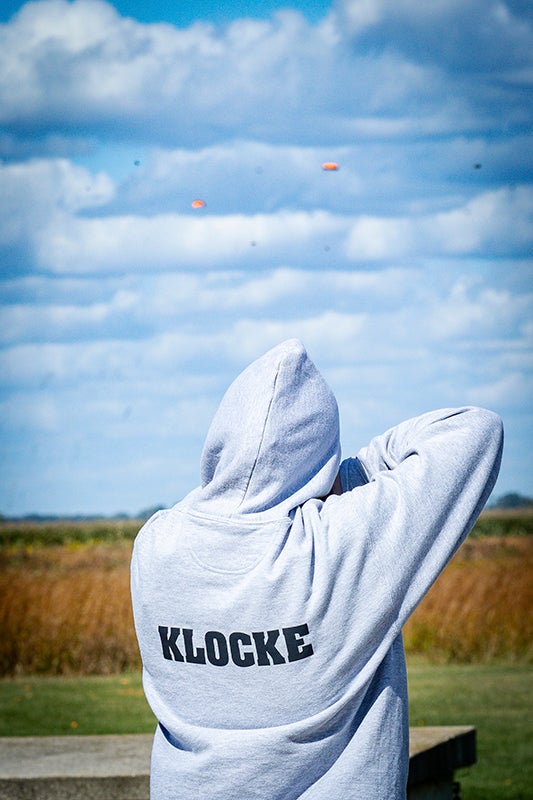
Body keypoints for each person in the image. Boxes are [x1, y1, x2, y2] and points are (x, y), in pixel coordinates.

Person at [131, 338, 503, 799]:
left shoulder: (156, 544)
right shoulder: (336, 544)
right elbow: (475, 429)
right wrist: (344, 475)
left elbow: (224, 495)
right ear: (318, 464)